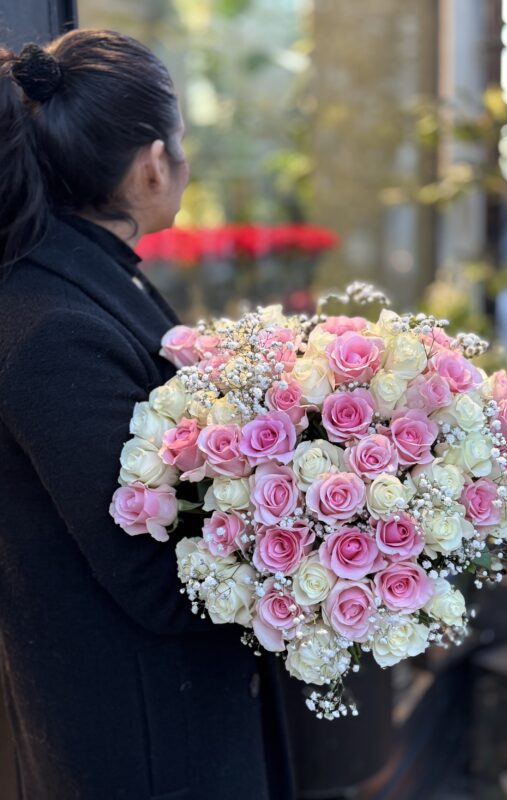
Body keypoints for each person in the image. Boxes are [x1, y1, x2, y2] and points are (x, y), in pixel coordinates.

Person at [0, 30, 293, 800]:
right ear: (153, 163)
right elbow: (158, 576)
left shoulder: (84, 273)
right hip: (147, 755)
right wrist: (315, 519)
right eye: (182, 141)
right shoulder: (52, 328)